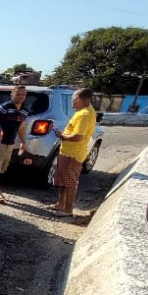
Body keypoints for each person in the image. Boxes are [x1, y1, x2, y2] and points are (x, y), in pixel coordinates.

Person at [49, 88, 97, 217]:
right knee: (63, 180)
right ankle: (61, 204)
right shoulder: (82, 112)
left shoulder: (85, 115)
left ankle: (68, 209)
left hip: (73, 154)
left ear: (80, 99)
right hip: (68, 152)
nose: (72, 103)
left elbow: (78, 136)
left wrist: (62, 136)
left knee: (69, 182)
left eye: (74, 100)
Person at [0, 85, 29, 204]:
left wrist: (23, 142)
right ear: (12, 95)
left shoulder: (24, 110)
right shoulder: (3, 108)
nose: (21, 96)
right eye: (18, 94)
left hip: (11, 143)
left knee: (3, 167)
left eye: (23, 94)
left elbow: (21, 127)